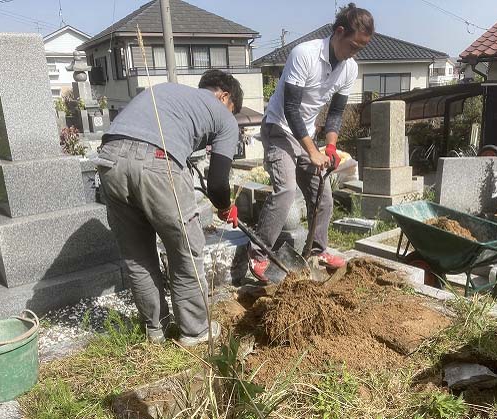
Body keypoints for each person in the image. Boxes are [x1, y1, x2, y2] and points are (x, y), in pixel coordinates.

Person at [95, 70, 243, 346]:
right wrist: (225, 207)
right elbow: (218, 184)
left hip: (109, 159)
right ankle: (195, 331)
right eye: (232, 108)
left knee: (137, 254)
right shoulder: (224, 116)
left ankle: (155, 329)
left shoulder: (170, 93)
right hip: (156, 161)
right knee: (185, 248)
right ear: (224, 97)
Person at [249, 3, 374, 282]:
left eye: (360, 48)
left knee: (324, 196)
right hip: (279, 128)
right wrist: (312, 151)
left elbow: (337, 113)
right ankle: (257, 254)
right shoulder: (304, 54)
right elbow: (291, 108)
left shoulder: (349, 69)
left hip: (306, 134)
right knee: (285, 190)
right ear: (339, 32)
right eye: (353, 45)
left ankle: (317, 251)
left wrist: (329, 148)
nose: (355, 52)